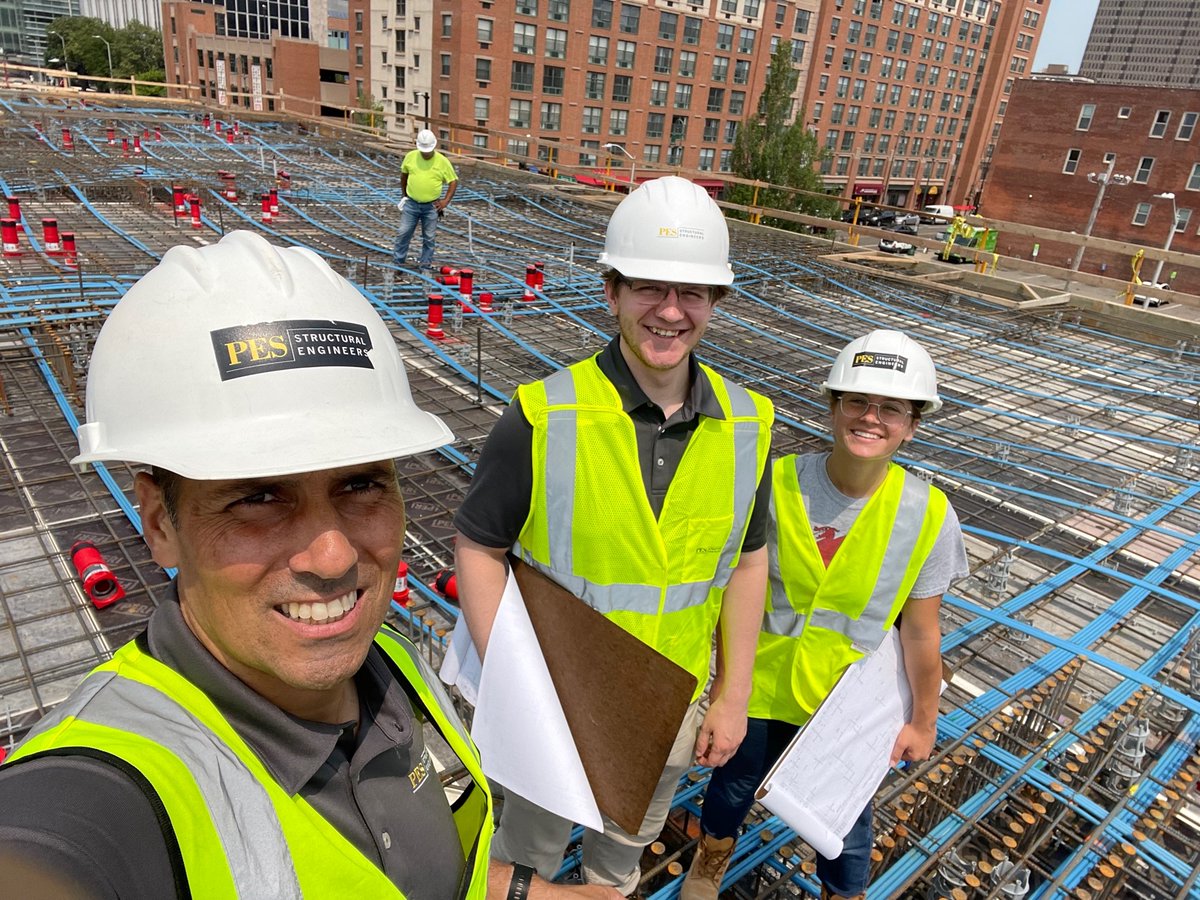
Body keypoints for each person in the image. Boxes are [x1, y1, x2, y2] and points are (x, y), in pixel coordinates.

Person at [0, 231, 619, 900]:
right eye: (258, 497)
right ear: (159, 524)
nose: (333, 556)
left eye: (361, 483)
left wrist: (525, 891)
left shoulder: (395, 666)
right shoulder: (112, 791)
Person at [453, 176, 775, 896]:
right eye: (648, 288)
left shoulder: (749, 424)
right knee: (529, 856)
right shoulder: (542, 415)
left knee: (619, 861)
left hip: (667, 709)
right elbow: (479, 547)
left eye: (691, 292)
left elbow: (748, 563)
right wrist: (511, 681)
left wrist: (733, 694)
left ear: (715, 301)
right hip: (556, 702)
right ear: (612, 293)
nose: (670, 310)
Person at [681, 330, 968, 900]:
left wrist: (924, 722)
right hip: (760, 687)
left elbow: (921, 632)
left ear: (912, 425)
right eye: (857, 401)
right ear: (833, 407)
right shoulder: (776, 482)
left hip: (843, 704)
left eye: (892, 409)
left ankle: (843, 893)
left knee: (844, 822)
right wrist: (723, 689)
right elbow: (728, 587)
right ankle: (710, 859)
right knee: (732, 787)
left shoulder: (929, 515)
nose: (871, 418)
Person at [393, 128, 458, 271]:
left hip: (431, 206)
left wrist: (445, 201)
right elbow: (404, 175)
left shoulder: (442, 161)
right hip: (411, 204)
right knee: (403, 233)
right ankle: (398, 265)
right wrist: (404, 195)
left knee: (429, 238)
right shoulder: (410, 157)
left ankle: (425, 267)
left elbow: (453, 181)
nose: (426, 153)